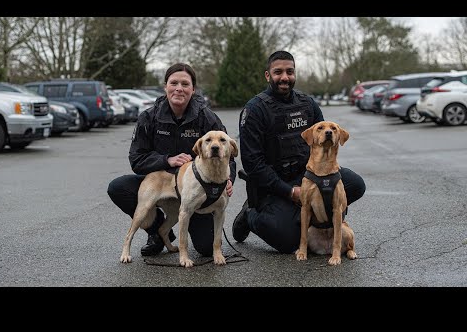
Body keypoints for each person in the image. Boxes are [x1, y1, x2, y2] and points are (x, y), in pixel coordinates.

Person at [232, 51, 365, 253]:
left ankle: (317, 222)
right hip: (273, 187)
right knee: (288, 242)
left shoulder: (307, 103)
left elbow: (323, 141)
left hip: (307, 177)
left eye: (289, 72)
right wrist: (289, 191)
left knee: (354, 184)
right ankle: (250, 214)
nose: (285, 77)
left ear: (294, 74)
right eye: (278, 72)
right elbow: (252, 163)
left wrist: (326, 177)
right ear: (267, 75)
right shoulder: (255, 110)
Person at [108, 63, 236, 257]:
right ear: (165, 86)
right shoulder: (149, 117)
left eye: (185, 84)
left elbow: (228, 156)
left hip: (198, 188)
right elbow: (137, 159)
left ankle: (184, 223)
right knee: (118, 187)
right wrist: (166, 160)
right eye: (173, 83)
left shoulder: (207, 118)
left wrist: (229, 180)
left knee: (206, 249)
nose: (179, 88)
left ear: (193, 89)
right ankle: (157, 231)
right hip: (160, 181)